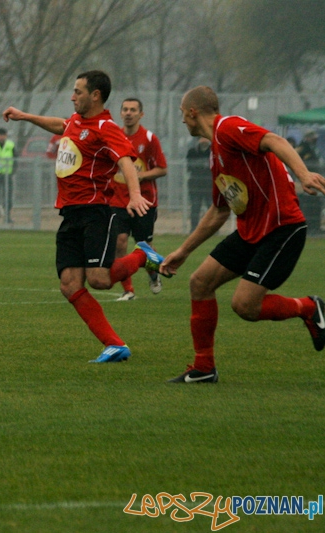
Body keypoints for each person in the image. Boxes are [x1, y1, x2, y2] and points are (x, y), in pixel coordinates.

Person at [160, 86, 325, 383]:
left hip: (281, 227)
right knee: (199, 282)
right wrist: (183, 252)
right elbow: (219, 211)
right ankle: (203, 369)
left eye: (183, 114)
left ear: (192, 112)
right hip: (251, 231)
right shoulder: (215, 154)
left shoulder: (228, 127)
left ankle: (311, 307)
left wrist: (302, 174)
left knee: (245, 306)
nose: (182, 121)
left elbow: (273, 140)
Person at [2, 70, 165, 363]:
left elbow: (126, 161)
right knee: (69, 284)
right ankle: (115, 345)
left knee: (100, 280)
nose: (72, 96)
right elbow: (61, 126)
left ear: (95, 95)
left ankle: (142, 256)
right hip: (70, 214)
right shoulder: (77, 121)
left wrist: (136, 194)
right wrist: (25, 116)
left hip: (95, 214)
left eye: (77, 91)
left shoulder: (106, 127)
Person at [110, 98, 167, 301]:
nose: (128, 113)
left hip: (144, 201)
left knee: (144, 246)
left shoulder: (149, 139)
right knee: (119, 243)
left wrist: (138, 176)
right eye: (125, 109)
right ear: (120, 113)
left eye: (133, 110)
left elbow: (162, 168)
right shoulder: (114, 136)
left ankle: (153, 274)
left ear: (141, 114)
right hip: (118, 201)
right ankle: (128, 290)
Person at [186, 137, 212, 231]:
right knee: (195, 208)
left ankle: (212, 229)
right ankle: (194, 229)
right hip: (195, 186)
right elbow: (190, 167)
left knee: (211, 208)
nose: (203, 140)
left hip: (209, 186)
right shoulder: (192, 152)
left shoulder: (213, 152)